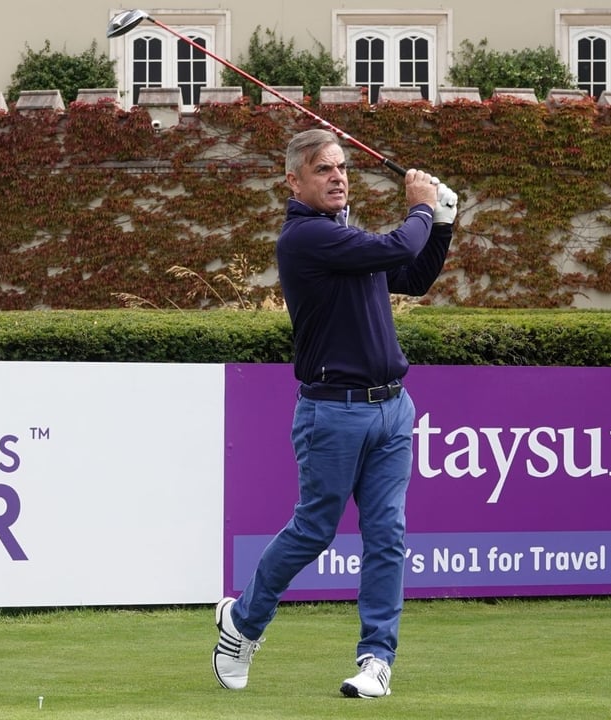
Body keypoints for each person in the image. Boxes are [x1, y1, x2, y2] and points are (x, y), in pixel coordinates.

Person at [213, 128, 457, 698]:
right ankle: (243, 623)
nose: (339, 176)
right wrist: (423, 206)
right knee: (314, 530)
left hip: (393, 408)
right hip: (333, 413)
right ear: (293, 183)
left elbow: (413, 275)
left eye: (342, 167)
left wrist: (441, 223)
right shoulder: (304, 239)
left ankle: (376, 660)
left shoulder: (347, 236)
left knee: (387, 534)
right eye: (323, 169)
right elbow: (398, 247)